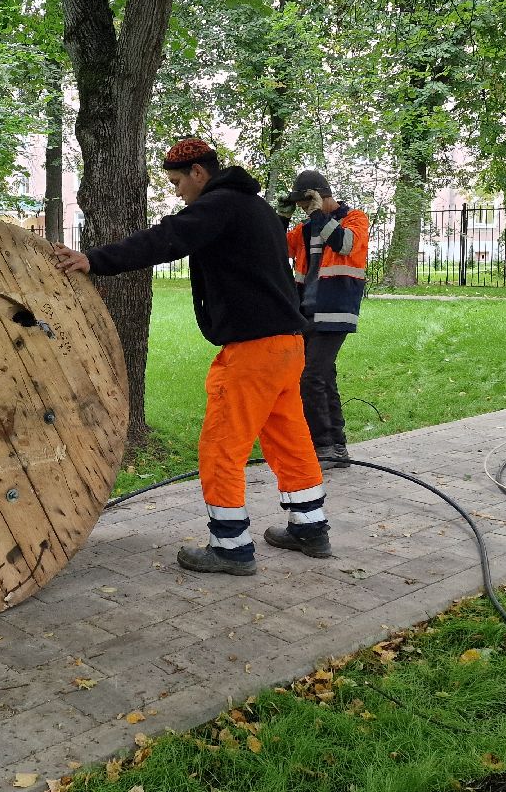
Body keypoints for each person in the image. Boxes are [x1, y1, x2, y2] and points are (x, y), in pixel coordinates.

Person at [53, 137, 330, 574]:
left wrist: (93, 260)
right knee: (289, 437)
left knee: (222, 446)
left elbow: (167, 239)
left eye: (179, 182)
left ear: (199, 173)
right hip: (287, 345)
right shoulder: (254, 207)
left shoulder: (220, 204)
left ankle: (230, 547)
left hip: (253, 351)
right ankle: (310, 527)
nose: (178, 191)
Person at [277, 169, 370, 470]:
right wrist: (282, 218)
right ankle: (336, 447)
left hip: (336, 312)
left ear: (321, 195)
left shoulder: (355, 219)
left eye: (308, 203)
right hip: (307, 313)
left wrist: (318, 215)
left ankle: (325, 445)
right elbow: (276, 249)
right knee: (323, 377)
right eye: (303, 207)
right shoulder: (305, 228)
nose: (305, 210)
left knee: (311, 377)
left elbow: (343, 244)